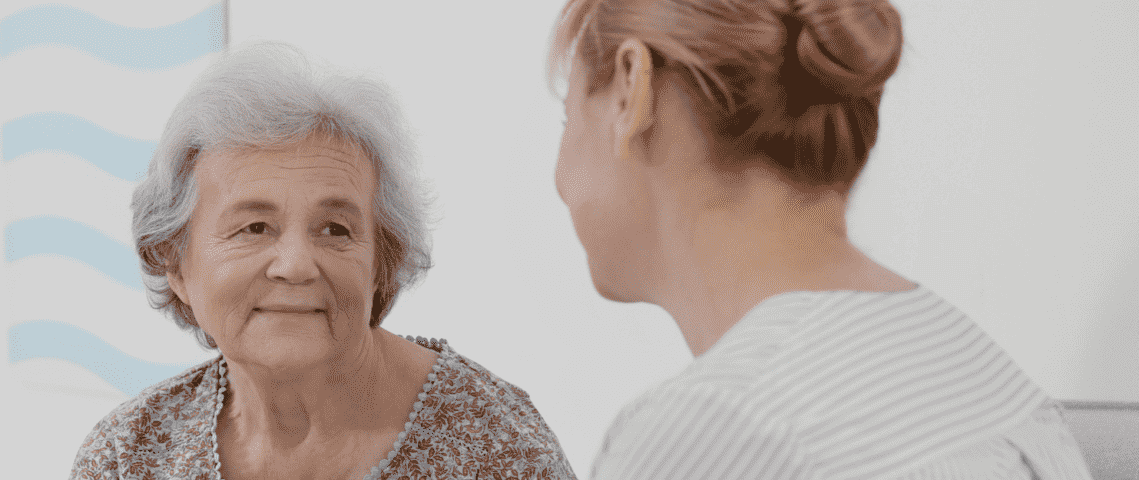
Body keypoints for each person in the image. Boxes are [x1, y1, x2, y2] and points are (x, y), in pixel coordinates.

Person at [547, 0, 1093, 478]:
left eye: (567, 117)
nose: (559, 179)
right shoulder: (967, 363)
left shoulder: (716, 426)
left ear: (629, 88)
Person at [68, 42, 576, 480]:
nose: (295, 265)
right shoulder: (128, 455)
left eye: (335, 229)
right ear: (175, 265)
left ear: (382, 261)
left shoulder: (495, 448)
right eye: (254, 228)